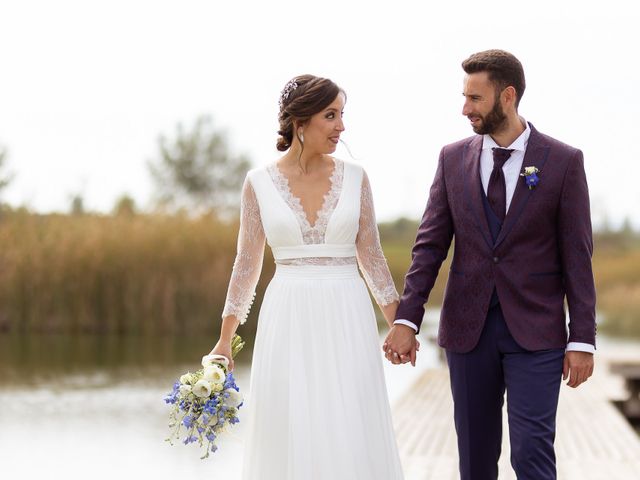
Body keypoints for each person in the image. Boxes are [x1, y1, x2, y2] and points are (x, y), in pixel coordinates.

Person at [383, 49, 596, 480]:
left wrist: (583, 339)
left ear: (508, 96)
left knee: (532, 452)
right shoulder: (451, 158)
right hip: (468, 330)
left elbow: (578, 255)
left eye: (475, 98)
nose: (465, 109)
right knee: (475, 459)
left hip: (536, 332)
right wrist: (407, 319)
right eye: (465, 97)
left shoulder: (563, 161)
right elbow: (429, 247)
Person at [210, 74, 405, 479]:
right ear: (300, 122)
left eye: (341, 115)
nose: (341, 126)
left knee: (349, 421)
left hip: (347, 312)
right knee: (290, 422)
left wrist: (400, 325)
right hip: (288, 314)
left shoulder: (356, 178)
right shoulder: (258, 183)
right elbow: (246, 265)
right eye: (330, 116)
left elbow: (372, 258)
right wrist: (225, 340)